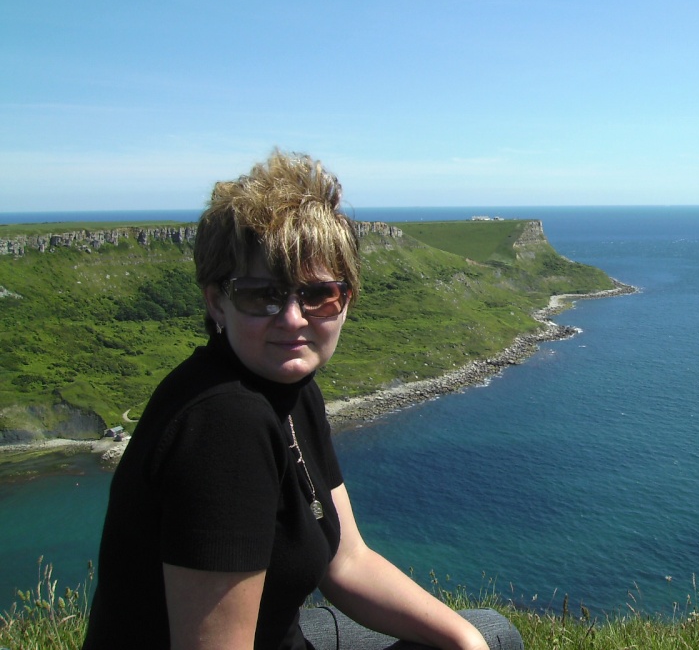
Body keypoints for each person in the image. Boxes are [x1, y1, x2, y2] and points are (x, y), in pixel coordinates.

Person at [82, 150, 523, 650]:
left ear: (347, 300)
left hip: (285, 631)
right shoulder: (226, 425)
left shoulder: (292, 391)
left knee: (487, 633)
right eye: (260, 294)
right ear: (216, 301)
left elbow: (346, 560)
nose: (292, 319)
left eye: (318, 295)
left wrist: (465, 641)